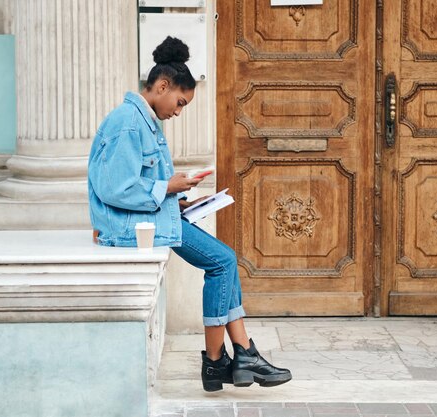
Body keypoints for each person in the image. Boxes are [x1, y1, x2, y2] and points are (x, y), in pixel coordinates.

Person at [87, 37, 291, 391]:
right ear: (162, 86)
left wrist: (177, 201)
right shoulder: (128, 123)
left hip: (150, 218)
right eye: (180, 102)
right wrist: (168, 188)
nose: (178, 111)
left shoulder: (142, 121)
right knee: (223, 262)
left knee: (224, 260)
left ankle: (233, 357)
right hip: (131, 228)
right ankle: (222, 359)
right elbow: (114, 188)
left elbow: (138, 184)